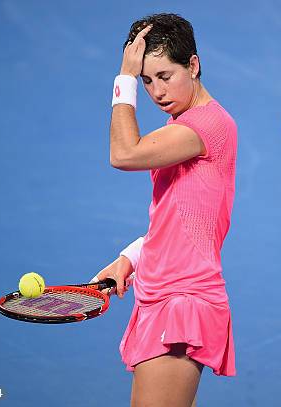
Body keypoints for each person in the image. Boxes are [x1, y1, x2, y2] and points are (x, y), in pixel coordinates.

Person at [93, 13, 237, 407]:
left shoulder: (206, 126)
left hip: (183, 300)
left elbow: (124, 154)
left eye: (165, 75)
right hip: (160, 292)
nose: (156, 91)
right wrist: (131, 257)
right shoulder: (184, 124)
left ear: (193, 64)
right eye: (146, 80)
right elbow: (181, 217)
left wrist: (124, 78)